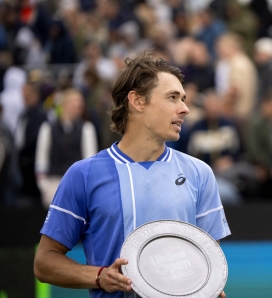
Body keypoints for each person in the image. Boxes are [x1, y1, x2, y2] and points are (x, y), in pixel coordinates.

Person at [34, 51, 231, 297]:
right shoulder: (83, 175)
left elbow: (208, 261)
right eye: (173, 97)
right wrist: (99, 276)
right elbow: (44, 262)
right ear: (137, 101)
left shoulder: (200, 173)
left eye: (183, 98)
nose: (185, 109)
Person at [34, 88, 98, 208]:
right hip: (53, 183)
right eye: (74, 101)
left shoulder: (87, 128)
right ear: (64, 104)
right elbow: (41, 158)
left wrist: (83, 187)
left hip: (77, 186)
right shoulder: (48, 128)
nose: (78, 105)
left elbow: (90, 161)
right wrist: (44, 185)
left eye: (80, 102)